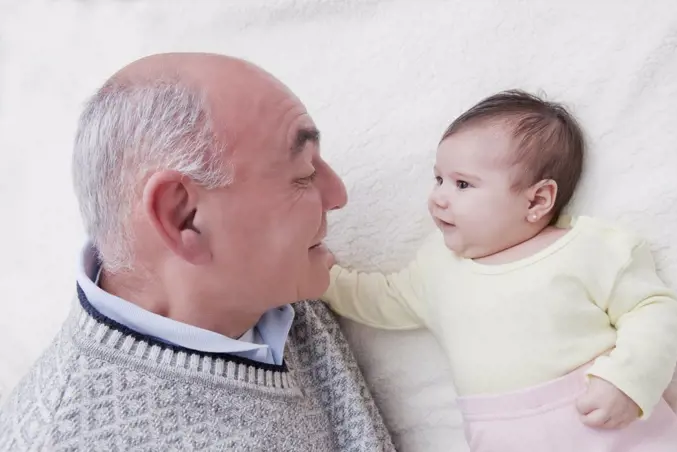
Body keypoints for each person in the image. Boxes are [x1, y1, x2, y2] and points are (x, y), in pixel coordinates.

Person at [0, 52, 395, 451]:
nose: (338, 194)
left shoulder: (274, 287)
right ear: (183, 217)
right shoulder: (59, 437)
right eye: (304, 175)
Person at [322, 90, 677, 451]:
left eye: (462, 184)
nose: (438, 197)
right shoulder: (438, 268)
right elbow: (379, 299)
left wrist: (629, 379)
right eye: (438, 179)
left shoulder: (590, 247)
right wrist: (321, 279)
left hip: (613, 429)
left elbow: (652, 311)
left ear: (537, 200)